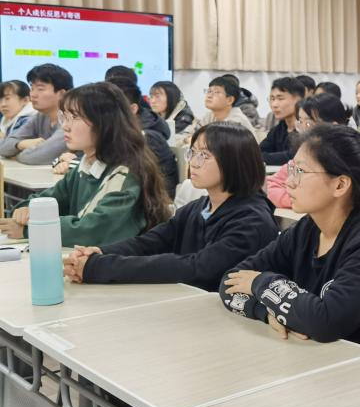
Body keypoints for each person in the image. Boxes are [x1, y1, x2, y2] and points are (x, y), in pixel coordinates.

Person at [220, 125, 360, 350]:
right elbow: (230, 281)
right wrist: (266, 312)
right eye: (291, 169)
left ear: (340, 185)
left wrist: (260, 283)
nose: (289, 182)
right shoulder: (308, 227)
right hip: (315, 355)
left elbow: (326, 323)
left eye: (300, 171)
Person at [64, 122, 277, 291]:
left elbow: (195, 268)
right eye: (193, 153)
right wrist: (99, 252)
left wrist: (101, 267)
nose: (193, 162)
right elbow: (153, 241)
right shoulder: (199, 207)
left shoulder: (252, 221)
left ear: (234, 161)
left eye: (204, 156)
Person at [0, 83, 171, 246]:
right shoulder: (87, 165)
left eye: (75, 118)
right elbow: (50, 199)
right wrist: (28, 209)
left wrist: (31, 230)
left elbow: (93, 231)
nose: (65, 126)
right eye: (64, 118)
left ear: (104, 122)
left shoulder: (124, 173)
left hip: (123, 264)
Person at [266, 94, 350, 209]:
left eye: (309, 123)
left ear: (334, 126)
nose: (303, 130)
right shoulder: (302, 157)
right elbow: (272, 184)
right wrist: (294, 200)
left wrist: (302, 200)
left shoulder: (348, 158)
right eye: (300, 122)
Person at [0, 63, 74, 165]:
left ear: (61, 94)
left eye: (40, 89)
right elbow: (3, 147)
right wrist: (20, 144)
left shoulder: (71, 119)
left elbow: (36, 157)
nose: (32, 94)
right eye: (32, 88)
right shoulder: (40, 116)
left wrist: (16, 154)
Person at [176, 76, 256, 144]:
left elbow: (214, 144)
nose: (209, 95)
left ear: (230, 100)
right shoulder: (209, 116)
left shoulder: (236, 121)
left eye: (216, 92)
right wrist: (189, 139)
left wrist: (192, 140)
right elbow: (191, 134)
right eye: (209, 91)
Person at [260, 77, 305, 165]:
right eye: (272, 99)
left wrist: (263, 157)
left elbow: (293, 156)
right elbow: (257, 152)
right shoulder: (278, 129)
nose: (274, 105)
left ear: (298, 100)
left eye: (280, 99)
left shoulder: (306, 129)